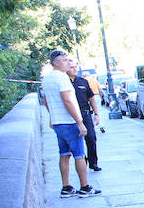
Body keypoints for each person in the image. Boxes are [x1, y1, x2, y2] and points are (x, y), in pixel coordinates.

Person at [40, 50, 101, 198]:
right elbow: (67, 100)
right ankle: (84, 187)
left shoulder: (47, 79)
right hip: (69, 122)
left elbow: (46, 100)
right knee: (79, 155)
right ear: (56, 63)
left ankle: (66, 187)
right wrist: (79, 122)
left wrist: (52, 116)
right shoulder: (62, 78)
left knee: (64, 154)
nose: (68, 63)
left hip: (58, 123)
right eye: (65, 60)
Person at [68, 60, 102, 171]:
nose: (75, 69)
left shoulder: (83, 82)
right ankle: (83, 161)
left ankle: (93, 162)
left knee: (91, 137)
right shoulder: (64, 83)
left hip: (85, 113)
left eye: (75, 67)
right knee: (77, 141)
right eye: (72, 67)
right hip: (71, 115)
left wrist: (96, 114)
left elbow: (91, 98)